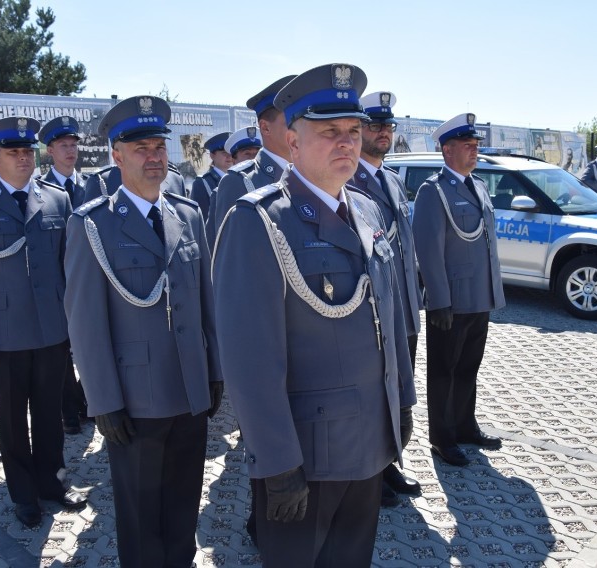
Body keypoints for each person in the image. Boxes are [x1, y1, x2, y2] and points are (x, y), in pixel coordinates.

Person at [213, 63, 415, 567]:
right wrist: (277, 463)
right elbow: (249, 361)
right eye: (329, 132)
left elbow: (389, 321)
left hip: (369, 440)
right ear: (293, 141)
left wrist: (403, 403)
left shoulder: (367, 211)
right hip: (307, 455)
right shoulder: (258, 221)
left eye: (353, 130)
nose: (346, 142)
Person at [64, 95, 223, 568]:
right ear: (117, 154)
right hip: (134, 399)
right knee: (139, 515)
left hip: (189, 391)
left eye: (159, 146)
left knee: (183, 504)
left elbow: (205, 302)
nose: (154, 157)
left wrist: (214, 372)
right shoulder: (91, 224)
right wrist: (103, 401)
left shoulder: (187, 214)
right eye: (140, 148)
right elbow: (85, 322)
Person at [0, 116, 85, 528]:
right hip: (4, 337)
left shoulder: (56, 200)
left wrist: (76, 328)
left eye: (28, 151)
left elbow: (71, 271)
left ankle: (53, 483)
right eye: (13, 152)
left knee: (49, 415)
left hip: (51, 333)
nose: (24, 158)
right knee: (11, 420)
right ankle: (23, 495)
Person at [412, 112, 506, 468]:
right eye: (467, 146)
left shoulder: (477, 186)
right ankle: (442, 438)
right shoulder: (433, 191)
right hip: (450, 299)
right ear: (447, 150)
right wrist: (438, 300)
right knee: (443, 371)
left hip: (478, 296)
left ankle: (466, 426)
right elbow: (429, 249)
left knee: (469, 366)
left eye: (476, 145)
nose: (474, 151)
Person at [349, 90, 423, 508]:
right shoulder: (346, 179)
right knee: (374, 393)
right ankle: (370, 475)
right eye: (374, 126)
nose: (383, 133)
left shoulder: (392, 179)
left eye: (388, 127)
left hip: (402, 308)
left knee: (397, 392)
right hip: (372, 311)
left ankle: (390, 464)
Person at [39, 116, 89, 436]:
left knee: (91, 344)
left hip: (88, 280)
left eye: (73, 145)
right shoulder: (39, 190)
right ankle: (69, 411)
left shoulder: (92, 185)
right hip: (57, 283)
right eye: (63, 146)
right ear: (50, 151)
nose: (70, 151)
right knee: (60, 351)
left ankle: (90, 400)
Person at [208, 74, 296, 247]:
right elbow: (230, 260)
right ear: (265, 127)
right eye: (291, 121)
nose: (301, 129)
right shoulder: (238, 183)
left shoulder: (311, 174)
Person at [190, 131, 232, 222]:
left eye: (232, 152)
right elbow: (201, 219)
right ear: (212, 155)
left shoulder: (239, 179)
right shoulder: (203, 183)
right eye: (224, 153)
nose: (229, 156)